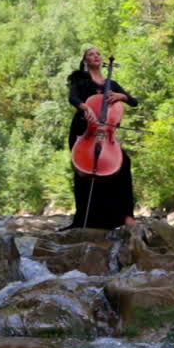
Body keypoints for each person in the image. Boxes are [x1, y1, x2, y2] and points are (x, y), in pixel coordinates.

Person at [63, 47, 139, 229]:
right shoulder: (79, 79)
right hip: (84, 130)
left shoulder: (111, 84)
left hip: (107, 134)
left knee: (123, 163)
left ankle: (125, 216)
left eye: (98, 54)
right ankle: (83, 220)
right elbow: (72, 98)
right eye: (91, 54)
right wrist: (85, 107)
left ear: (102, 59)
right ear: (85, 61)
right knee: (84, 172)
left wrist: (122, 96)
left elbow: (134, 102)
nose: (95, 56)